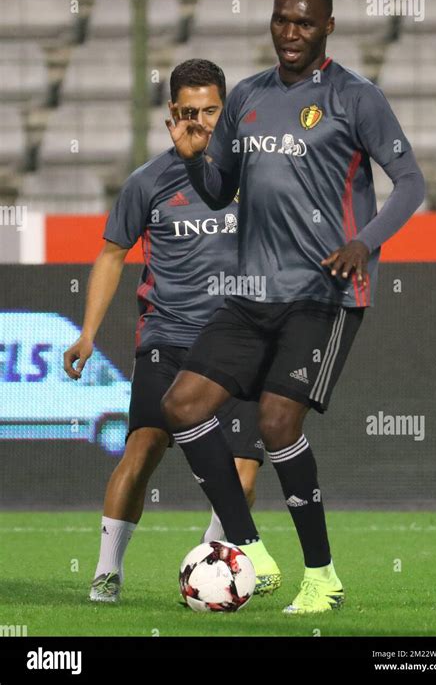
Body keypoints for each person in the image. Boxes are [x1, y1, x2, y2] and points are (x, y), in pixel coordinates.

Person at [163, 0, 425, 614]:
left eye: (304, 22)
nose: (290, 32)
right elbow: (221, 192)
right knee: (183, 404)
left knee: (278, 422)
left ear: (328, 27)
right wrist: (197, 157)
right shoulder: (247, 97)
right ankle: (250, 550)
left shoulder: (355, 97)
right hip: (252, 294)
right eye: (282, 19)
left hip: (325, 293)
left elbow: (411, 183)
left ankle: (322, 575)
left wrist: (365, 241)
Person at [63, 59, 279, 603]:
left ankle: (212, 564)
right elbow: (112, 255)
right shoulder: (148, 182)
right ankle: (107, 572)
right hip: (170, 337)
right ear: (170, 117)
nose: (200, 122)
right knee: (142, 448)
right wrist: (88, 333)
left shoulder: (255, 176)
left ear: (226, 113)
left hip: (240, 341)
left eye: (210, 111)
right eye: (189, 112)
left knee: (245, 471)